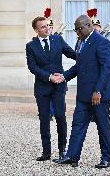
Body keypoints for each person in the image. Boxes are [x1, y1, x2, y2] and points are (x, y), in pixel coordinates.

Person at [54, 15, 110, 168]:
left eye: (80, 29)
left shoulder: (102, 42)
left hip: (99, 94)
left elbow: (106, 68)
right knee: (78, 124)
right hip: (83, 94)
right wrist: (64, 77)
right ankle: (72, 156)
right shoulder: (80, 42)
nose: (77, 33)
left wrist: (98, 91)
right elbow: (79, 66)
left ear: (89, 25)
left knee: (102, 126)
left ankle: (106, 158)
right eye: (76, 30)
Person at [26, 16, 76, 161]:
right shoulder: (31, 46)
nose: (47, 28)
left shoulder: (57, 40)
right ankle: (46, 152)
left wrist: (87, 57)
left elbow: (72, 54)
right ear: (36, 30)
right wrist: (49, 77)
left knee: (60, 117)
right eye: (43, 27)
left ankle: (62, 151)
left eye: (48, 25)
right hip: (42, 87)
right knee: (44, 119)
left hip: (58, 87)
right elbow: (32, 67)